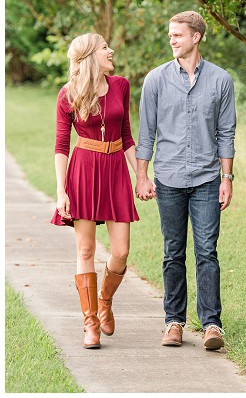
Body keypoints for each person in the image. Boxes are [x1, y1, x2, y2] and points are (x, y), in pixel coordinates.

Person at [135, 10, 236, 351]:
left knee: (207, 252)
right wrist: (142, 175)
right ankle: (174, 323)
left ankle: (211, 326)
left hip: (208, 179)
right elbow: (146, 133)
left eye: (177, 35)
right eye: (170, 36)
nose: (172, 40)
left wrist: (227, 177)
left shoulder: (221, 80)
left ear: (196, 36)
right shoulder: (156, 80)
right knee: (173, 252)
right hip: (169, 179)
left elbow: (227, 133)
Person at [52, 33, 139, 349]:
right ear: (90, 56)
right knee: (85, 251)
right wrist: (62, 191)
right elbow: (61, 146)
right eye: (105, 48)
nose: (111, 50)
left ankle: (104, 300)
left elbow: (127, 135)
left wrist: (140, 174)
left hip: (115, 168)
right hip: (84, 171)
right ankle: (90, 323)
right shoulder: (68, 94)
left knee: (121, 251)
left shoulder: (121, 85)